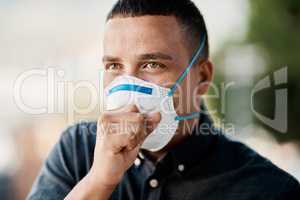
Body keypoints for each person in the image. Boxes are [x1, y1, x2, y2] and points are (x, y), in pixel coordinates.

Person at [27, 0, 300, 199]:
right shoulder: (76, 152)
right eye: (114, 66)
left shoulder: (268, 189)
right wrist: (99, 181)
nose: (129, 85)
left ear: (202, 77)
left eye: (152, 65)